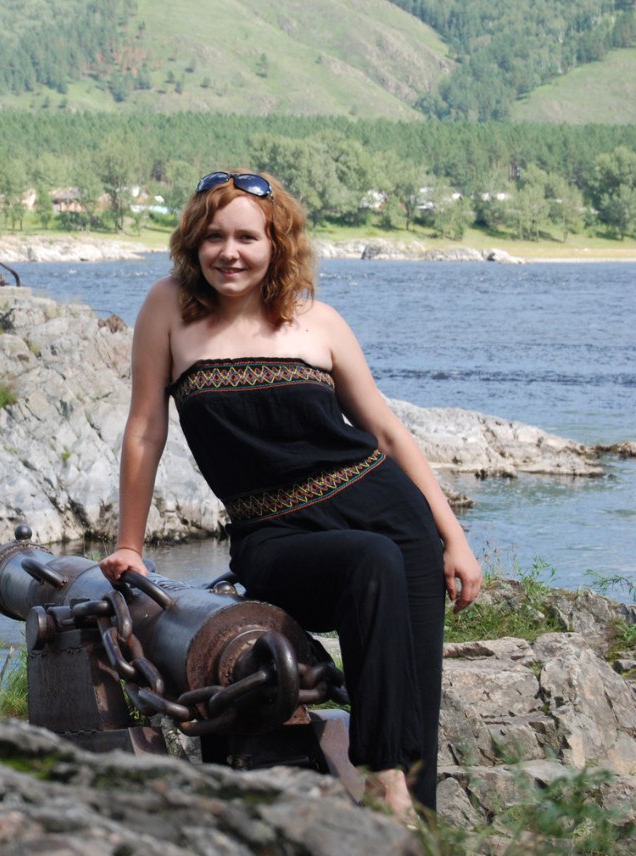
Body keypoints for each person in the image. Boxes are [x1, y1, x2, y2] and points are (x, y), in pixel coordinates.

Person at [98, 169, 482, 821]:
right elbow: (144, 430)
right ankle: (381, 776)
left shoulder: (317, 322)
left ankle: (412, 822)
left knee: (414, 691)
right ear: (192, 243)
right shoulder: (169, 308)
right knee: (370, 562)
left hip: (387, 512)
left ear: (277, 244)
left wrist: (454, 537)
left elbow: (386, 433)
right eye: (214, 237)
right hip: (271, 535)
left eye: (247, 238)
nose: (229, 252)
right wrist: (129, 545)